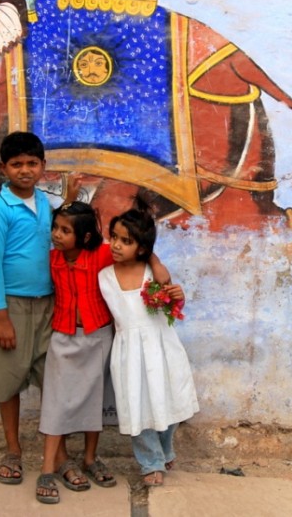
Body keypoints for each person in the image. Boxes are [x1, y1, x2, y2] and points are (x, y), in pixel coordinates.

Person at [36, 201, 171, 503]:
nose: (56, 235)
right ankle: (47, 469)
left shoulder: (102, 255)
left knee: (94, 399)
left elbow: (139, 246)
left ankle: (90, 458)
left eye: (65, 230)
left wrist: (158, 264)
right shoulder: (52, 257)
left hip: (98, 336)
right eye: (55, 228)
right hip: (64, 335)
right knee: (56, 402)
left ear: (85, 237)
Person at [0, 131, 76, 485]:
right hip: (13, 307)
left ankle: (59, 454)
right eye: (17, 164)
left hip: (48, 304)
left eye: (32, 163)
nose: (25, 170)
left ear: (43, 166)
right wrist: (2, 317)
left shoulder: (43, 203)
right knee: (9, 380)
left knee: (52, 380)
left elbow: (58, 235)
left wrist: (68, 202)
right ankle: (13, 450)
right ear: (3, 168)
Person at [98, 200, 199, 487]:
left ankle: (165, 448)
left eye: (125, 241)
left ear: (141, 248)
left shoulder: (153, 274)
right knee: (137, 406)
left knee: (168, 397)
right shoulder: (104, 277)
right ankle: (150, 462)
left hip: (161, 346)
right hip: (129, 352)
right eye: (114, 237)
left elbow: (171, 309)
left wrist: (178, 296)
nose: (116, 245)